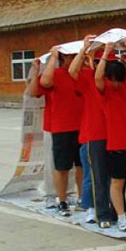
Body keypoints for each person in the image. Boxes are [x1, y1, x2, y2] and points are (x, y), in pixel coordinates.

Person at [69, 38, 116, 228]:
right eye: (98, 62)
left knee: (115, 177)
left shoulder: (115, 80)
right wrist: (84, 50)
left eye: (107, 62)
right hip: (94, 135)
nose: (102, 66)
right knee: (97, 176)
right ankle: (99, 211)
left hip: (115, 135)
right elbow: (72, 71)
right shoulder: (89, 78)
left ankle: (115, 210)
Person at [95, 43, 126, 232]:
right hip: (116, 144)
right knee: (117, 182)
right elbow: (97, 77)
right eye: (112, 80)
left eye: (119, 80)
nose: (116, 84)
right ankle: (121, 217)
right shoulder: (106, 91)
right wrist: (105, 53)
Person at [39, 46, 83, 217]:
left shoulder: (82, 74)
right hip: (62, 127)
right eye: (71, 56)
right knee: (62, 167)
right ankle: (62, 200)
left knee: (82, 166)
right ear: (63, 59)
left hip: (82, 127)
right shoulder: (55, 74)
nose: (74, 59)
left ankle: (82, 198)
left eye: (75, 56)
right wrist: (53, 57)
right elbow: (45, 82)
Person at [27, 59, 57, 210]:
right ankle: (51, 194)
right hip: (53, 126)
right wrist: (35, 70)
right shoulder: (50, 77)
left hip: (78, 126)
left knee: (74, 165)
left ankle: (69, 193)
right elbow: (34, 92)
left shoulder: (78, 74)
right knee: (52, 162)